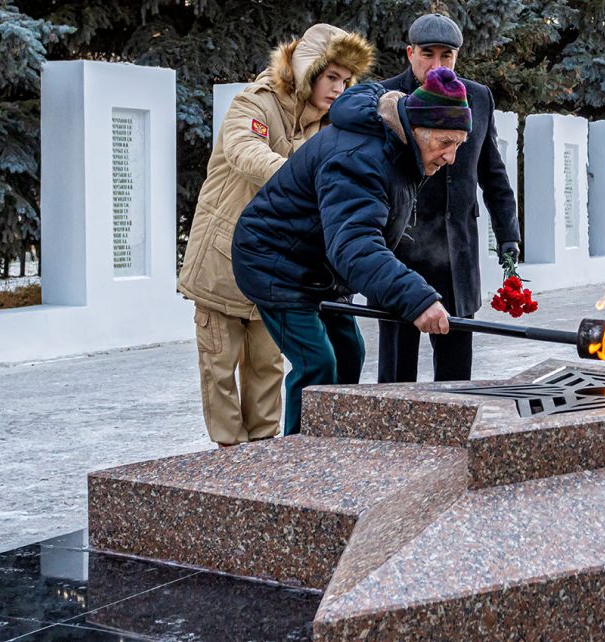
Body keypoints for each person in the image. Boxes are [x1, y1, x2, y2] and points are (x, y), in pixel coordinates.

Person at [231, 67, 473, 436]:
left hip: (319, 264)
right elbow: (355, 244)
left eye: (458, 144)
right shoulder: (359, 156)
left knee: (350, 351)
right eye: (445, 142)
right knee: (317, 364)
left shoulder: (398, 145)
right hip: (274, 262)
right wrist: (416, 298)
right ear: (416, 128)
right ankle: (300, 458)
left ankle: (335, 441)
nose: (451, 157)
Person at [177, 24, 374, 446]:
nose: (339, 89)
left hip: (272, 269)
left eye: (346, 80)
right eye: (331, 77)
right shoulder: (256, 101)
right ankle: (229, 453)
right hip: (220, 260)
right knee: (220, 367)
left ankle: (266, 455)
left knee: (266, 367)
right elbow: (245, 150)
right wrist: (301, 178)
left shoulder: (325, 126)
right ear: (308, 70)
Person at [372, 14, 521, 384]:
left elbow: (494, 175)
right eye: (427, 54)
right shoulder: (385, 97)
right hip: (399, 255)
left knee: (457, 378)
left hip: (456, 255)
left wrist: (508, 237)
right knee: (395, 376)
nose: (437, 65)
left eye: (447, 55)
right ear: (409, 53)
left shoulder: (479, 98)